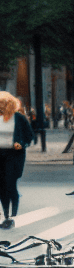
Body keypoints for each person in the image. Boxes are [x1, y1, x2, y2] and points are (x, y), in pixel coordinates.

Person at [0, 92, 35, 229]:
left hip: (13, 155)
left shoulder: (19, 118)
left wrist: (21, 143)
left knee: (10, 184)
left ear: (9, 104)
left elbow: (30, 136)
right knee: (1, 186)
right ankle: (6, 216)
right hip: (0, 154)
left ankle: (13, 216)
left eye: (2, 103)